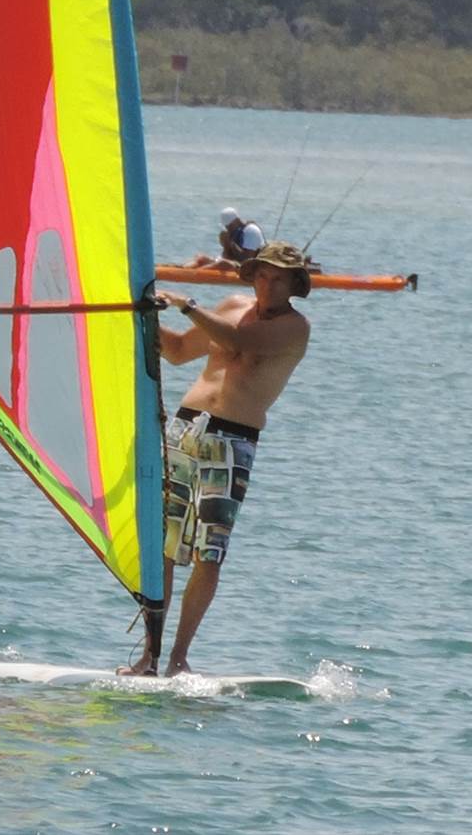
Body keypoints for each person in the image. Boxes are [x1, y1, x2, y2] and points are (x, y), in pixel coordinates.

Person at [126, 241, 314, 676]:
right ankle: (149, 655)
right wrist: (143, 315)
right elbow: (174, 351)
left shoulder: (294, 328)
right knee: (165, 548)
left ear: (294, 284)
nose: (268, 285)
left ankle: (178, 657)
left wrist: (187, 303)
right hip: (184, 429)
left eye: (279, 278)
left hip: (232, 440)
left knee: (209, 554)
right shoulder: (230, 304)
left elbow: (236, 339)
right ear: (253, 276)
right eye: (262, 276)